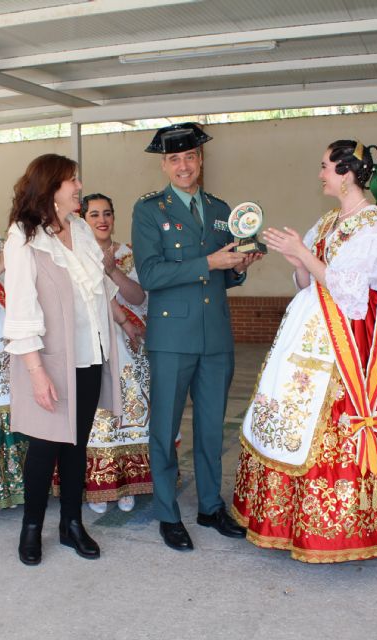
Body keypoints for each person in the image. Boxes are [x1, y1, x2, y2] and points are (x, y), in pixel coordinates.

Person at [232, 139, 377, 563]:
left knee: (341, 423)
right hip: (312, 324)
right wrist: (298, 260)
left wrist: (304, 256)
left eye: (326, 167)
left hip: (352, 338)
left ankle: (352, 526)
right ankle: (290, 519)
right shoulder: (330, 219)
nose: (321, 174)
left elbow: (351, 293)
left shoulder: (370, 225)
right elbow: (312, 280)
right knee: (288, 413)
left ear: (346, 174)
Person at [132, 122, 261, 551]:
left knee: (211, 430)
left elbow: (221, 276)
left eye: (190, 157)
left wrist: (238, 267)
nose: (183, 165)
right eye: (174, 159)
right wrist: (211, 260)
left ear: (200, 160)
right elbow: (150, 274)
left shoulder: (222, 208)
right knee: (166, 429)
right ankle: (168, 513)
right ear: (164, 165)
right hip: (171, 337)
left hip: (216, 336)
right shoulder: (150, 210)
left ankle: (210, 507)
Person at [4, 154, 123, 566]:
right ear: (52, 187)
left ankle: (72, 524)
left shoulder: (82, 232)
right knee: (44, 450)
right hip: (49, 362)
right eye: (72, 180)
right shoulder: (24, 238)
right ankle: (32, 528)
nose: (78, 185)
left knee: (76, 446)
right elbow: (19, 308)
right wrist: (36, 374)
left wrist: (126, 325)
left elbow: (98, 293)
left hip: (89, 356)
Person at [78, 192, 151, 513]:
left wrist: (111, 271)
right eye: (94, 214)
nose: (102, 220)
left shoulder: (128, 254)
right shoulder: (75, 254)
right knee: (97, 415)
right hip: (91, 344)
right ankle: (100, 483)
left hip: (130, 346)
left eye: (107, 213)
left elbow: (137, 297)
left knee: (130, 412)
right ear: (82, 219)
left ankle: (127, 482)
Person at [0, 188, 28, 509]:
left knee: (14, 400)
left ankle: (22, 483)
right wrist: (0, 267)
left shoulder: (3, 246)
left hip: (8, 333)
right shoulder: (3, 254)